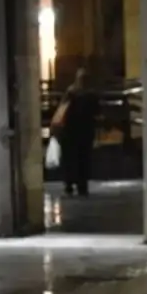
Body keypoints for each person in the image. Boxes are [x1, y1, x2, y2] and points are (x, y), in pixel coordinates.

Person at [52, 67, 99, 197]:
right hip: (85, 132)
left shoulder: (70, 92)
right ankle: (82, 185)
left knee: (70, 158)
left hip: (70, 131)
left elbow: (62, 110)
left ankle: (69, 183)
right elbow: (97, 112)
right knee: (83, 159)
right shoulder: (91, 94)